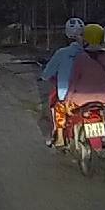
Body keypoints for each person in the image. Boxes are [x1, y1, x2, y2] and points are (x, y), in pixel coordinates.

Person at [39, 17, 86, 148]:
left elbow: (47, 74)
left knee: (58, 108)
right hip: (89, 94)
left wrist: (44, 76)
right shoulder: (88, 53)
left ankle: (60, 138)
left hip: (70, 97)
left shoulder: (62, 53)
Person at [65, 23, 105, 109]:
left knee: (70, 112)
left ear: (85, 39)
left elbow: (74, 81)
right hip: (104, 98)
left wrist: (67, 99)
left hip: (81, 98)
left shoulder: (80, 57)